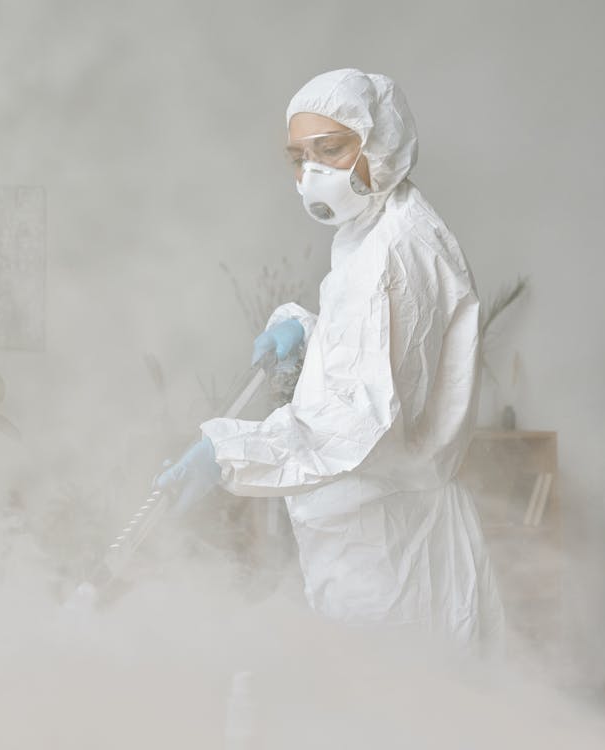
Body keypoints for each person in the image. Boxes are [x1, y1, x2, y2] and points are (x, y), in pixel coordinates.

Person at [159, 69, 504, 649]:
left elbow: (354, 425)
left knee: (395, 716)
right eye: (298, 157)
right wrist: (309, 330)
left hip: (391, 553)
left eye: (332, 149)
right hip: (372, 534)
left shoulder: (395, 252)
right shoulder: (377, 227)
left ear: (381, 143)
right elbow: (380, 355)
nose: (312, 173)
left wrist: (228, 453)